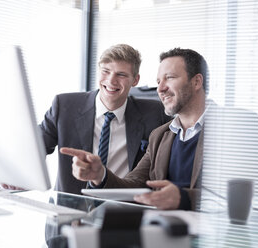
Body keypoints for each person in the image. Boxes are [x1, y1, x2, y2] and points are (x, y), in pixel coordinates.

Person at [61, 48, 209, 210]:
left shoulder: (230, 129)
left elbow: (237, 195)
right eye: (159, 81)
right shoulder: (160, 136)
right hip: (165, 232)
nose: (160, 89)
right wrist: (100, 175)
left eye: (170, 78)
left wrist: (184, 198)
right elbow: (133, 185)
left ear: (196, 82)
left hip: (213, 232)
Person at [39, 44, 171, 195]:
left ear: (135, 80)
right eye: (106, 71)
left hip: (126, 209)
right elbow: (35, 147)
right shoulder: (64, 106)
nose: (111, 80)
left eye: (121, 75)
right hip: (70, 208)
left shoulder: (155, 113)